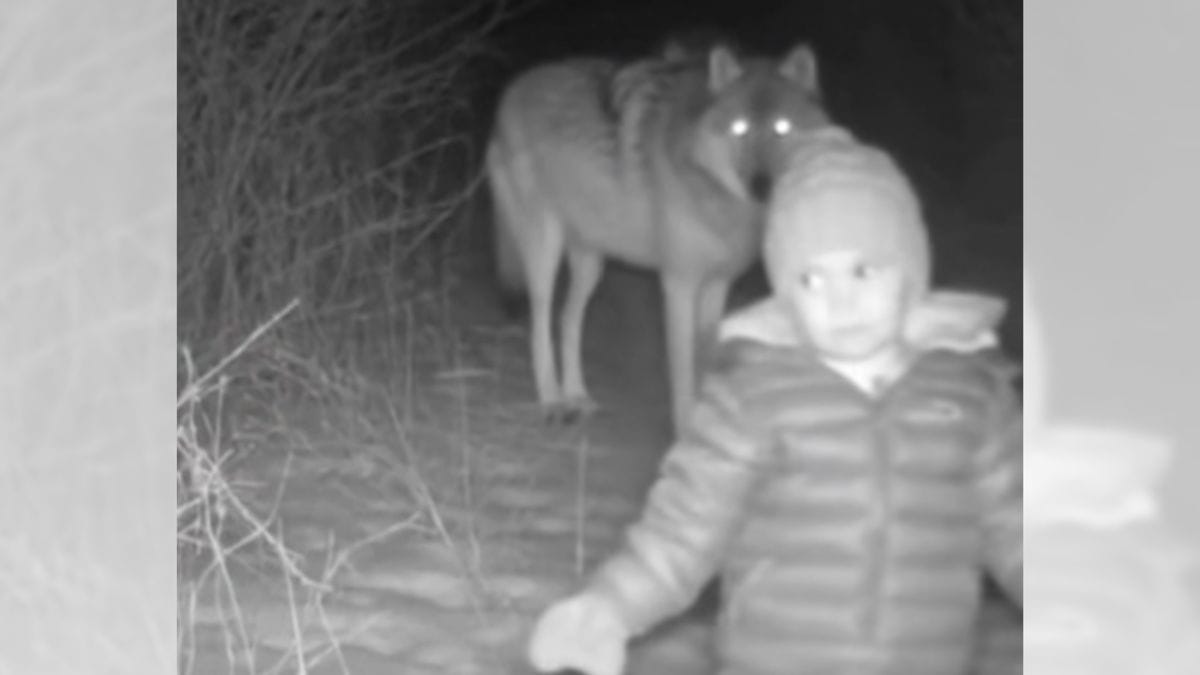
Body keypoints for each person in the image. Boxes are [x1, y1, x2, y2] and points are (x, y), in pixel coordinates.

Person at [526, 127, 1023, 675]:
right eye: (811, 279)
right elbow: (682, 532)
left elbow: (1016, 525)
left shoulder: (972, 394)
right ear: (786, 295)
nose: (842, 301)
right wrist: (611, 606)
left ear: (910, 273)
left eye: (863, 270)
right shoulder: (753, 397)